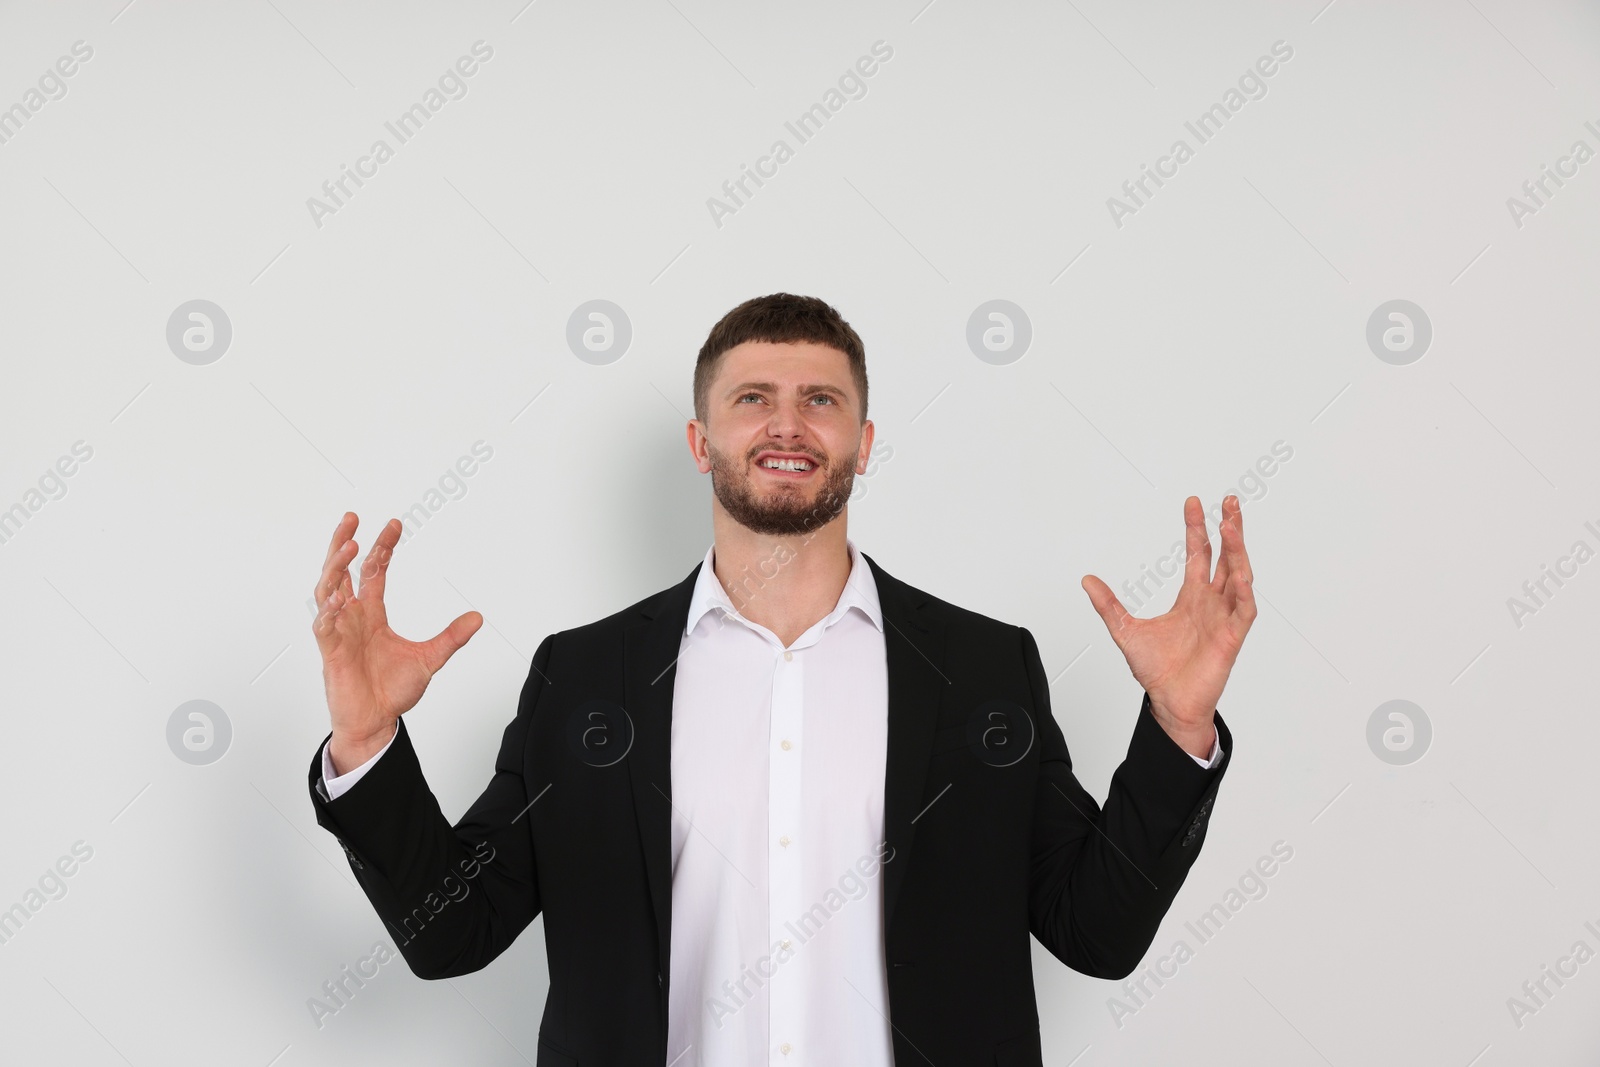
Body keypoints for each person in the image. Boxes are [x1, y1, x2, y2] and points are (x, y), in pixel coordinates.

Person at [306, 293, 1253, 1067]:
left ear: (865, 440)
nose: (788, 424)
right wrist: (366, 746)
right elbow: (450, 932)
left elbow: (1097, 930)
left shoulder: (979, 668)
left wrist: (1178, 725)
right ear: (699, 439)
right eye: (753, 397)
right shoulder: (586, 676)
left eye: (822, 399)